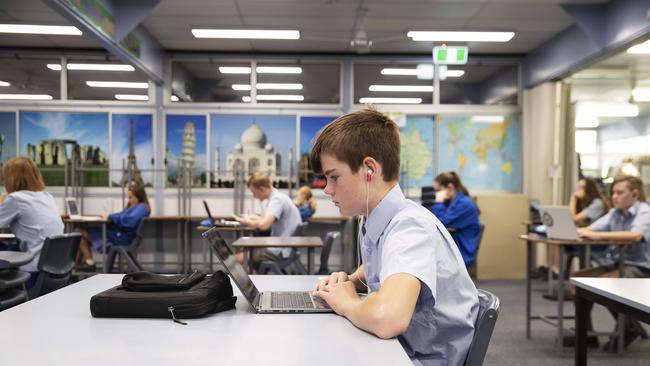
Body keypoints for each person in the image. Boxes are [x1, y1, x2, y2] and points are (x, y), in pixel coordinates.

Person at [310, 108, 478, 365]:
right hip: (403, 349)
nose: (328, 190)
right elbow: (384, 266)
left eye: (334, 177)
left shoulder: (409, 227)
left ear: (369, 169)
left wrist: (347, 304)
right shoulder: (379, 217)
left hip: (422, 358)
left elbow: (388, 318)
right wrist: (351, 281)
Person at [575, 175, 650, 351]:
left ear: (635, 194)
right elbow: (590, 229)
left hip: (641, 267)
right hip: (619, 263)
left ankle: (627, 327)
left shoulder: (645, 211)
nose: (614, 196)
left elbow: (635, 235)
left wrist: (597, 235)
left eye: (619, 192)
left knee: (604, 285)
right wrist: (576, 231)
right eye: (613, 192)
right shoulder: (614, 213)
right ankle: (586, 335)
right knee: (578, 281)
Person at [0, 157, 64, 289]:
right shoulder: (47, 196)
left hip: (33, 272)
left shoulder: (15, 199)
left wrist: (2, 201)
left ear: (11, 178)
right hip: (57, 270)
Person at [235, 173, 302, 269]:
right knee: (249, 254)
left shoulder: (277, 200)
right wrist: (252, 218)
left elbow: (264, 225)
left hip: (280, 251)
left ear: (262, 189)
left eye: (254, 193)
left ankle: (249, 282)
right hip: (283, 247)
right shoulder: (279, 197)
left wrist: (246, 222)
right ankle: (253, 278)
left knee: (235, 259)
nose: (254, 196)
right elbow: (266, 219)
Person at [77, 184, 150, 269]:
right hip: (117, 236)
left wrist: (110, 217)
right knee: (79, 236)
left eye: (131, 197)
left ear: (139, 196)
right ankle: (85, 264)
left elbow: (129, 221)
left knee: (79, 232)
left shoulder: (141, 208)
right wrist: (109, 215)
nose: (129, 201)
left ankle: (85, 265)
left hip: (120, 238)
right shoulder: (137, 207)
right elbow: (121, 215)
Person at [430, 172, 481, 268]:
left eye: (438, 191)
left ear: (450, 187)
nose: (437, 194)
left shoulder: (464, 204)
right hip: (454, 248)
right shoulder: (453, 202)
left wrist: (439, 202)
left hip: (461, 252)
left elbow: (441, 222)